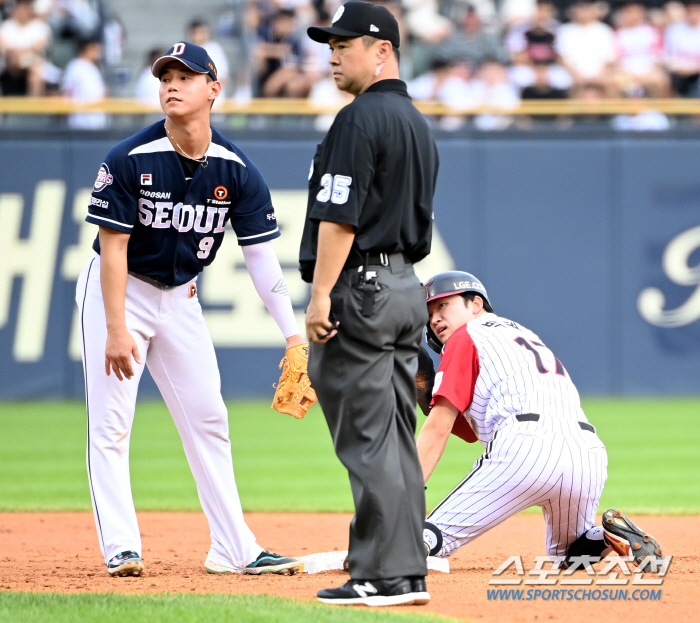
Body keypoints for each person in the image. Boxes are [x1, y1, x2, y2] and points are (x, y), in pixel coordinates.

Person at [76, 41, 305, 578]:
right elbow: (112, 250)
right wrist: (115, 327)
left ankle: (234, 548)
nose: (171, 84)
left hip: (181, 298)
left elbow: (261, 261)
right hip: (120, 291)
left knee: (210, 419)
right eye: (165, 76)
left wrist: (293, 337)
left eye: (185, 75)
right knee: (111, 422)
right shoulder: (129, 157)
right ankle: (121, 546)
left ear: (214, 88)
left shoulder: (236, 169)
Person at [300, 1, 439, 607]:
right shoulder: (414, 119)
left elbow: (339, 218)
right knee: (394, 436)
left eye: (346, 43)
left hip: (361, 288)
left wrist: (321, 295)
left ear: (382, 50)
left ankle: (382, 575)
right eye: (330, 43)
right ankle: (404, 571)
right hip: (406, 286)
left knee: (368, 437)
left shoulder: (358, 119)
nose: (334, 53)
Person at [417, 271, 664, 568]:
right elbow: (470, 431)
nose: (435, 318)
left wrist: (406, 490)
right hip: (588, 454)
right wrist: (428, 396)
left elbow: (438, 429)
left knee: (423, 540)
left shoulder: (464, 336)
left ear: (476, 304)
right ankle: (606, 536)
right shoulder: (521, 334)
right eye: (430, 312)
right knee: (569, 556)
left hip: (524, 447)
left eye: (443, 305)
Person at [61, 37, 107, 130]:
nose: (99, 52)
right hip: (80, 120)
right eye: (95, 48)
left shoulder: (93, 68)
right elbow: (67, 92)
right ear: (87, 49)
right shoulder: (75, 66)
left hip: (97, 119)